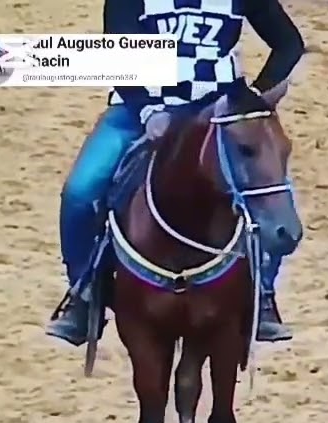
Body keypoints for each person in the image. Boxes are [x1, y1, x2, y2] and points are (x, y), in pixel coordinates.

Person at [46, 0, 306, 347]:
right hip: (137, 109)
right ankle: (83, 292)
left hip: (216, 112)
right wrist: (149, 110)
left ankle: (263, 293)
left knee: (263, 188)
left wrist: (254, 98)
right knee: (80, 191)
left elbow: (289, 43)